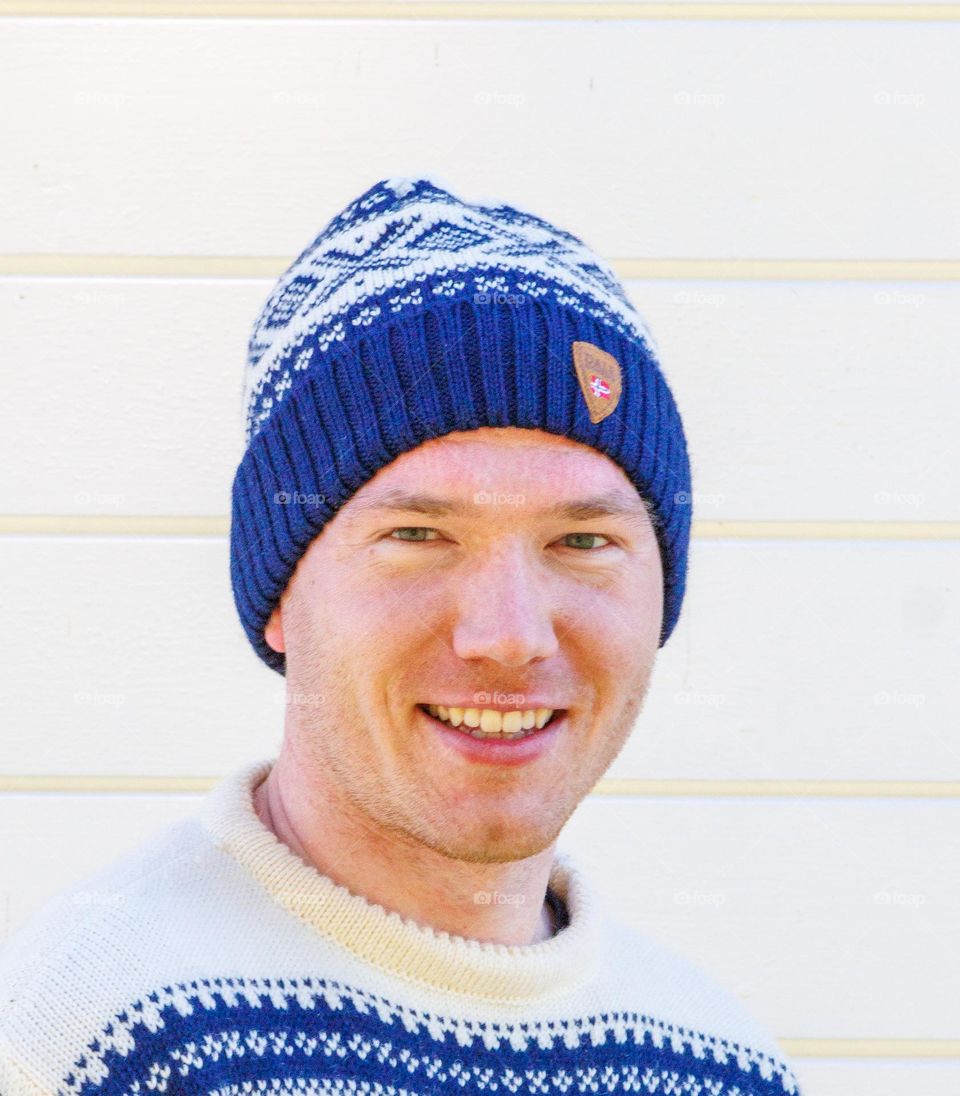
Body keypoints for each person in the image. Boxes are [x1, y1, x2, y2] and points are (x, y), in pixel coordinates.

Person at [0, 176, 803, 1095]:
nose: (509, 637)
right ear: (278, 592)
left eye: (583, 541)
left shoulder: (719, 1064)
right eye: (417, 537)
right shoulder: (94, 1040)